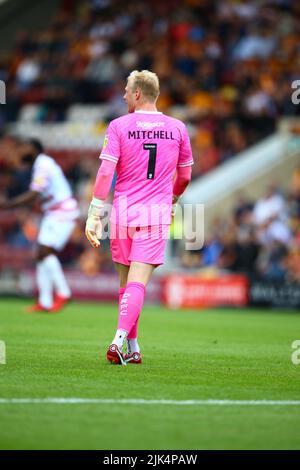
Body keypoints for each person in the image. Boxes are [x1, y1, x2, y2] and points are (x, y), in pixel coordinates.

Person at [85, 70, 193, 365]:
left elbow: (106, 172)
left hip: (122, 212)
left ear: (136, 94)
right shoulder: (178, 128)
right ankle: (120, 341)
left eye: (125, 90)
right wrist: (172, 197)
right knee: (137, 284)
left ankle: (132, 347)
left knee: (126, 284)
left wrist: (94, 214)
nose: (122, 95)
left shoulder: (119, 126)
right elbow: (184, 175)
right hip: (155, 213)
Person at [0, 138, 79, 312]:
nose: (21, 151)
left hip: (62, 212)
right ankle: (45, 301)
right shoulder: (40, 165)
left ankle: (64, 292)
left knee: (44, 252)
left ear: (36, 149)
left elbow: (33, 194)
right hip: (53, 213)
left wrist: (7, 205)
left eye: (25, 147)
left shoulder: (43, 164)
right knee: (40, 254)